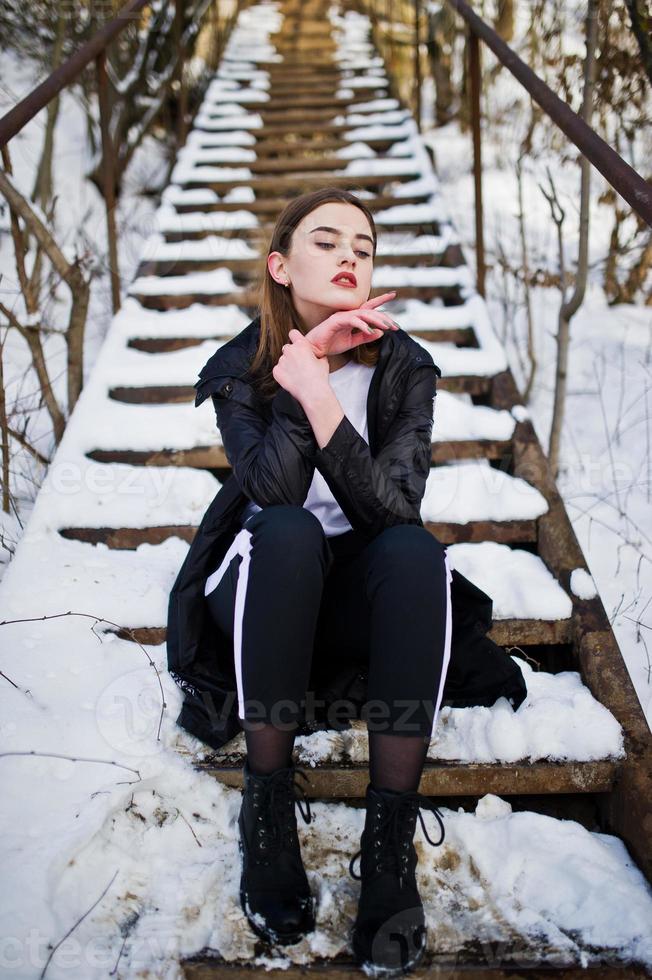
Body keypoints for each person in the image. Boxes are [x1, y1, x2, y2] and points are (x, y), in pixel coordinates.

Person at [190, 186, 451, 976]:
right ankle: (266, 812)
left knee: (417, 553)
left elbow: (394, 513)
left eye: (363, 248)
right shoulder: (240, 367)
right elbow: (269, 497)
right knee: (291, 527)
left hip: (360, 598)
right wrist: (303, 373)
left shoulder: (405, 365)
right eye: (327, 241)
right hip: (270, 589)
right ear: (280, 265)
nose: (349, 257)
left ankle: (388, 846)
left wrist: (324, 388)